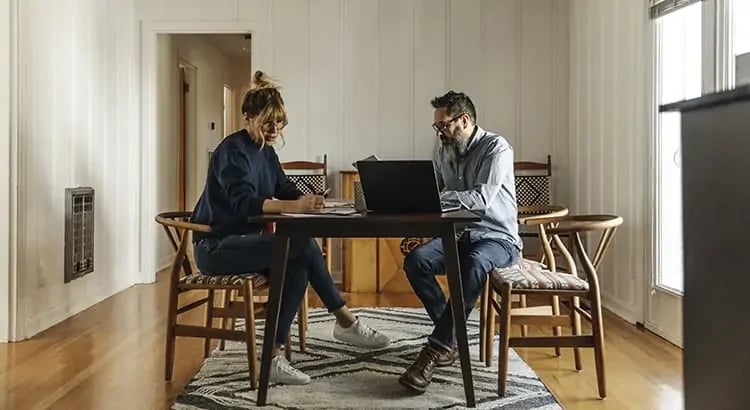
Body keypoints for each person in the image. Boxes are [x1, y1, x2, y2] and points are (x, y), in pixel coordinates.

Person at [190, 71, 390, 385]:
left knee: (297, 267)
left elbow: (283, 187)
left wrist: (314, 199)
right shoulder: (232, 150)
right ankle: (344, 320)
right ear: (248, 117)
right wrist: (295, 207)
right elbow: (244, 202)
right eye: (268, 122)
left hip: (247, 245)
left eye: (280, 123)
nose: (274, 129)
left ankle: (274, 355)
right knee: (301, 245)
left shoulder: (266, 153)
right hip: (216, 247)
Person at [398, 90, 522, 393]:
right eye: (437, 127)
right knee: (416, 261)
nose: (440, 132)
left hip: (497, 238)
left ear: (463, 120)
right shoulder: (444, 152)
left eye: (444, 125)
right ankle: (451, 337)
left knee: (474, 262)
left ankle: (434, 349)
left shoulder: (496, 148)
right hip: (458, 235)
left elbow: (481, 200)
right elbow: (433, 194)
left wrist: (438, 198)